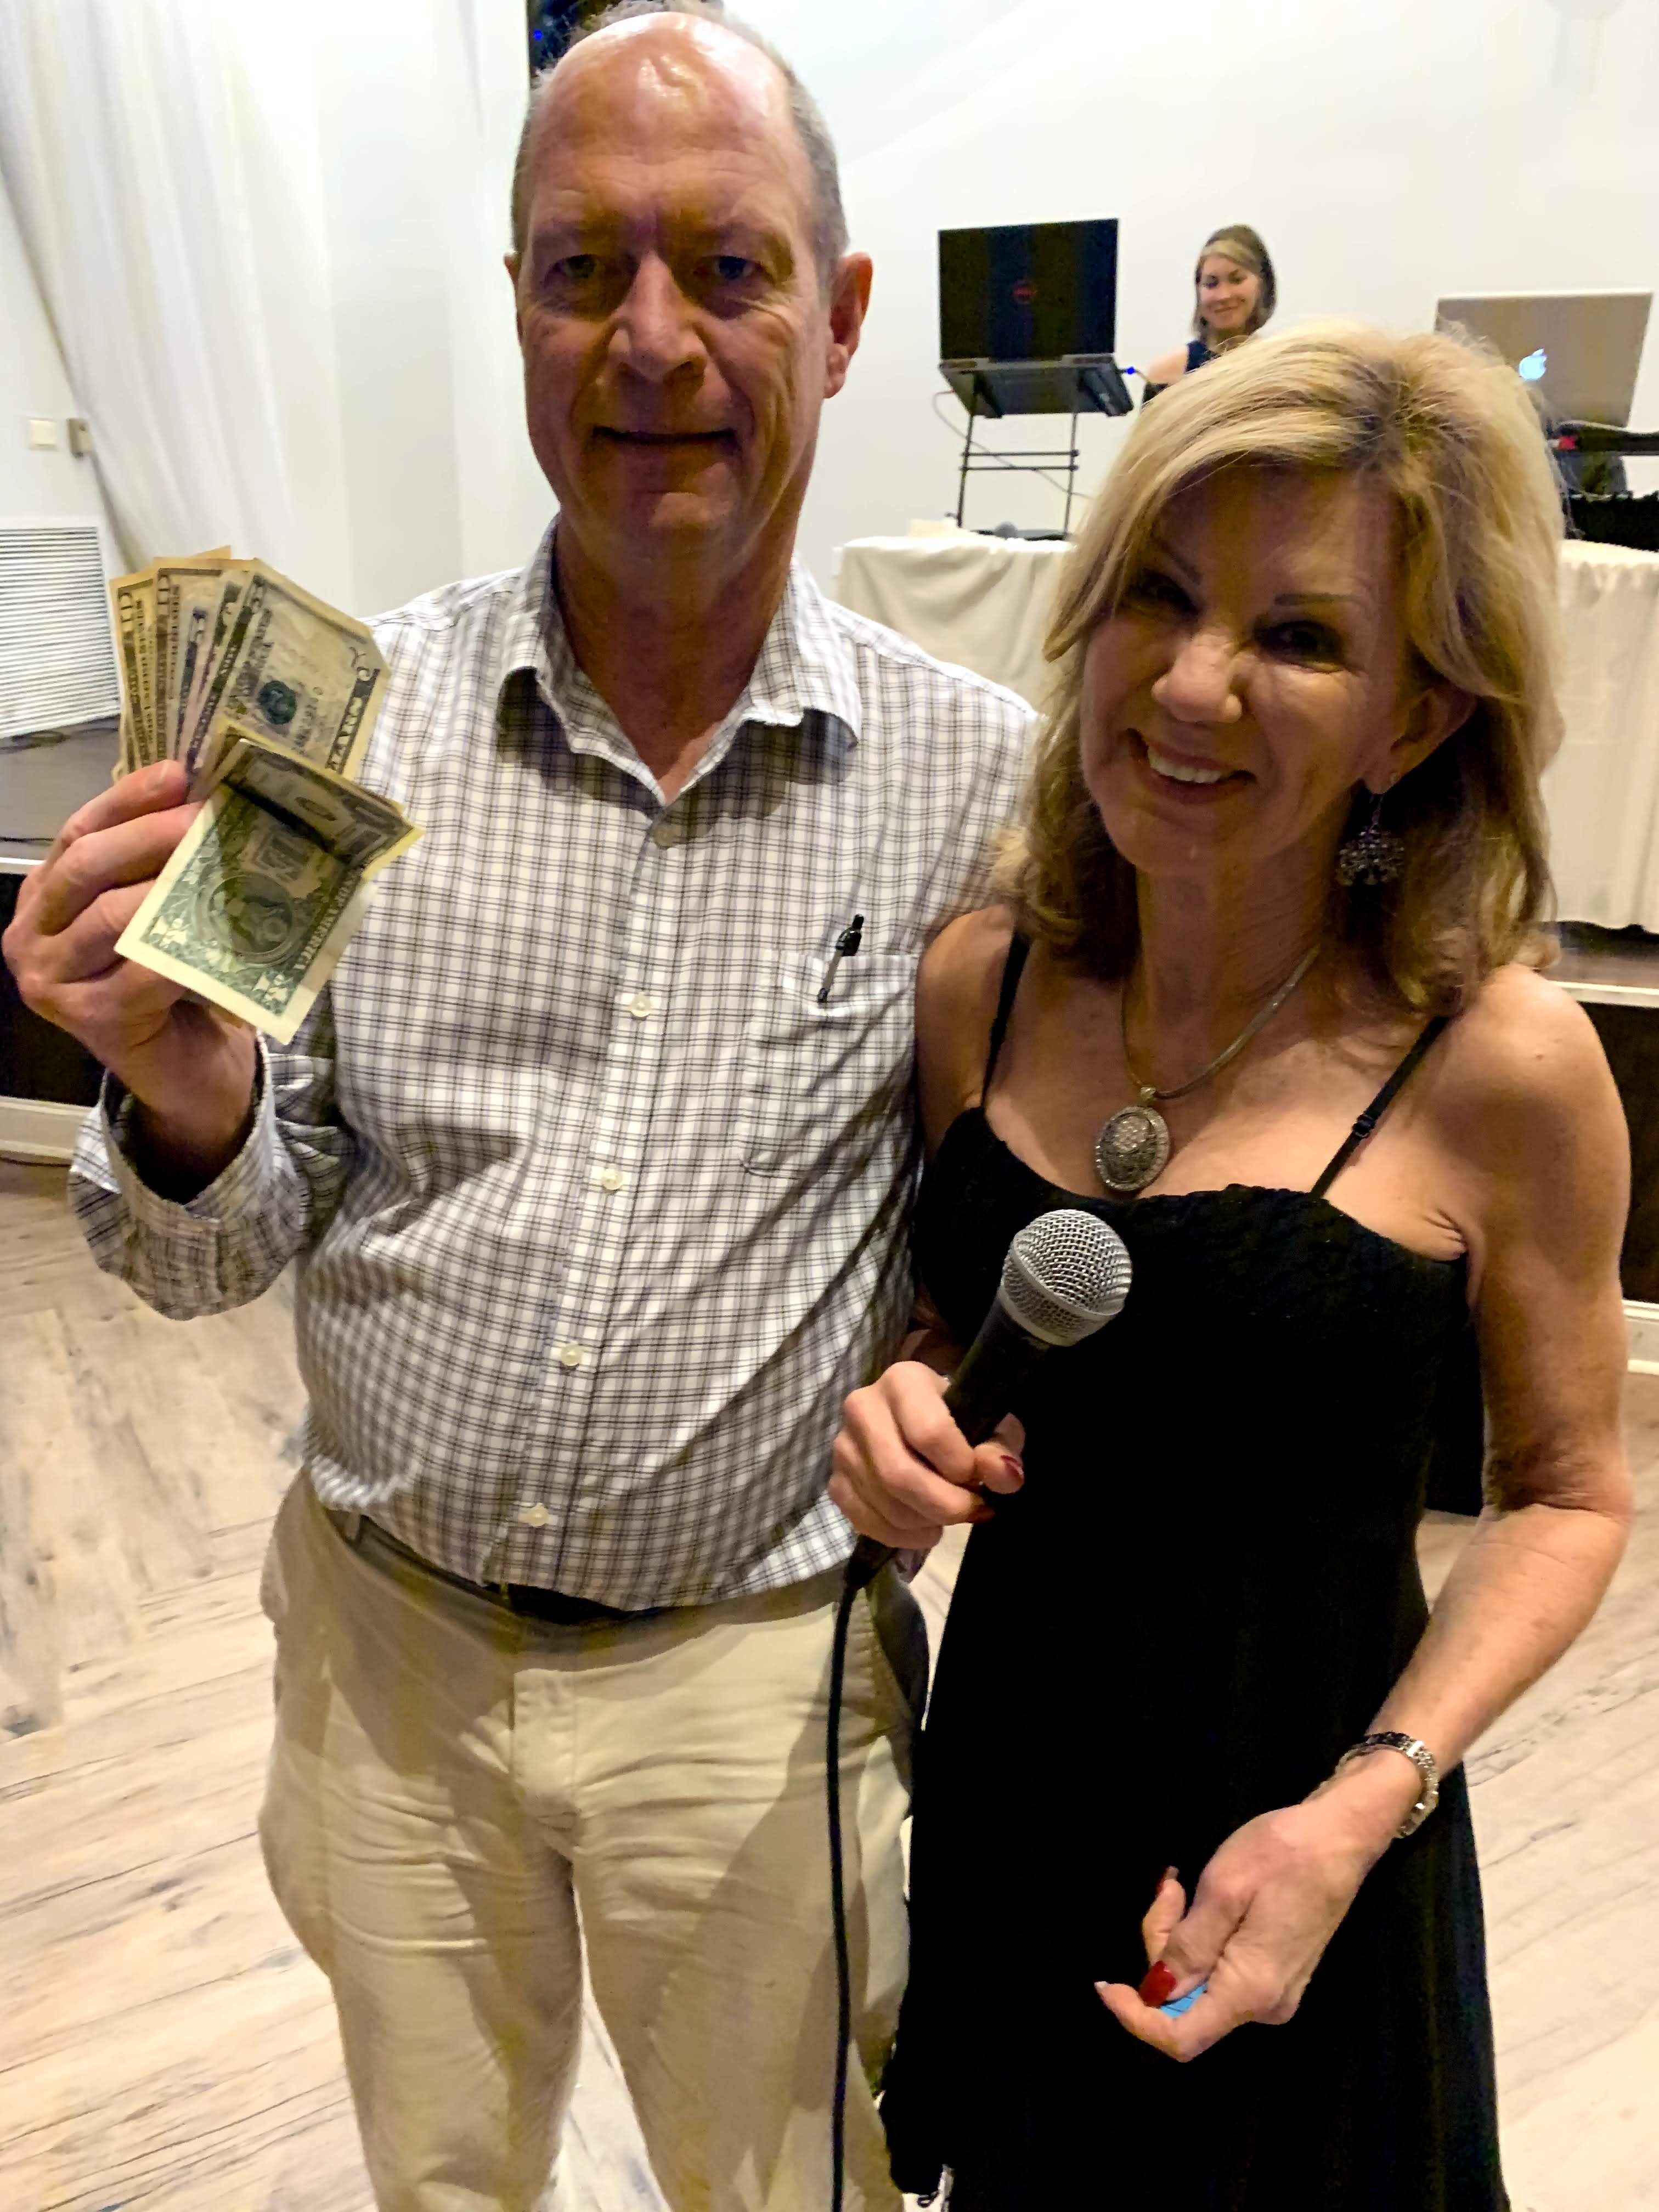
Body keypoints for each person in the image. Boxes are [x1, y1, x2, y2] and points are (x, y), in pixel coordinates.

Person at [1, 5, 1030, 2209]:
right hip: (384, 1666)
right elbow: (211, 1246)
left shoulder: (981, 784)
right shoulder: (339, 739)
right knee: (442, 2180)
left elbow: (1005, 1215)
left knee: (795, 2190)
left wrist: (948, 1382)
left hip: (754, 1689)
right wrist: (184, 1100)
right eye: (583, 270)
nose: (649, 338)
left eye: (727, 268)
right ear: (518, 309)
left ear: (845, 317)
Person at [829, 321, 1633, 2209]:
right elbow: (960, 1326)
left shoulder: (1501, 1068)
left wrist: (1363, 1807)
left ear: (1416, 720)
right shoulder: (980, 983)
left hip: (1297, 1843)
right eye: (1161, 598)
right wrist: (906, 1411)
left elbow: (1573, 1495)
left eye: (1299, 636)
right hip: (1012, 1799)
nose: (1193, 686)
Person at [1140, 222, 1276, 403]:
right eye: (1211, 284)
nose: (1224, 295)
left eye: (1236, 280)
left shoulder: (1281, 368)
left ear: (1263, 284)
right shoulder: (1167, 374)